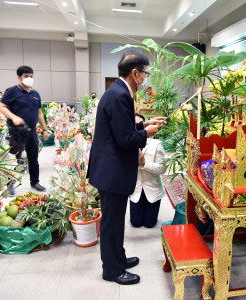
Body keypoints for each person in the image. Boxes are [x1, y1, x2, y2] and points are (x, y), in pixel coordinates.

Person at [87, 52, 165, 285]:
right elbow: (125, 139)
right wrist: (146, 134)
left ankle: (118, 258)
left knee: (117, 220)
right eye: (145, 73)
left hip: (111, 169)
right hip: (112, 172)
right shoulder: (121, 95)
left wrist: (143, 123)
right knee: (112, 223)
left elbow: (120, 127)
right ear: (134, 73)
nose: (145, 78)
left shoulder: (117, 92)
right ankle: (111, 270)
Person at [0, 65, 49, 192]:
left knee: (33, 158)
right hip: (17, 131)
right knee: (14, 159)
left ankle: (35, 182)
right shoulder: (11, 91)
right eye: (26, 76)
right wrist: (14, 117)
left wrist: (44, 129)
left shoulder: (35, 94)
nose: (29, 79)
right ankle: (10, 185)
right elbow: (2, 107)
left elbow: (39, 113)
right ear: (19, 77)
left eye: (31, 76)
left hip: (31, 131)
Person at [129, 113, 166, 228]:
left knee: (150, 224)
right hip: (135, 191)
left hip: (153, 190)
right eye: (135, 124)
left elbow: (162, 168)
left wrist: (144, 163)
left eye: (140, 124)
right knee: (136, 223)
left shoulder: (156, 144)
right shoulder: (127, 145)